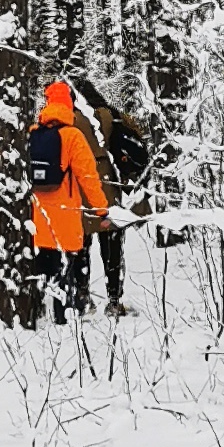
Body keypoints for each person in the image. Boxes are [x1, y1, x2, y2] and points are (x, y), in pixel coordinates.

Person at [25, 76, 110, 324]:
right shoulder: (73, 136)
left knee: (44, 273)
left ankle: (35, 319)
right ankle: (64, 322)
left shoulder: (33, 133)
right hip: (66, 219)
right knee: (65, 276)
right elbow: (88, 178)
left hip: (38, 219)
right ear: (70, 105)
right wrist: (102, 211)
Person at [77, 88, 153, 318]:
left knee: (81, 247)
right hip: (109, 186)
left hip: (80, 188)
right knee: (112, 247)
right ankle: (114, 300)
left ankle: (82, 299)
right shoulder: (109, 115)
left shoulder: (73, 119)